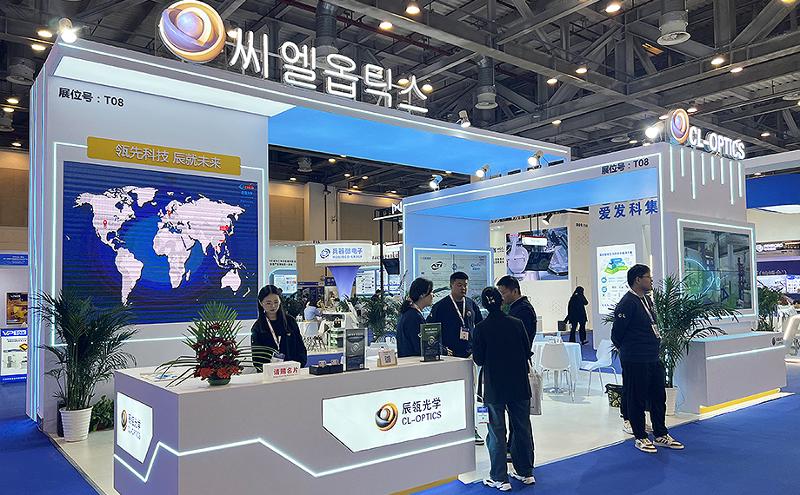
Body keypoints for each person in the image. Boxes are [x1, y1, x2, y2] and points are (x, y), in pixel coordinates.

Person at [611, 264, 683, 453]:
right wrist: (630, 350)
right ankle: (640, 436)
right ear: (637, 280)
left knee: (658, 396)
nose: (651, 280)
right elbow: (616, 334)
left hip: (652, 357)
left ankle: (660, 433)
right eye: (648, 277)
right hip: (635, 359)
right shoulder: (627, 303)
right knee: (637, 398)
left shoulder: (647, 300)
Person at [473, 287, 535, 490]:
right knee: (522, 428)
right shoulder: (517, 323)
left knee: (496, 431)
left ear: (483, 305)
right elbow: (527, 350)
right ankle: (525, 472)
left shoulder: (481, 328)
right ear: (501, 302)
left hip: (495, 387)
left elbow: (479, 359)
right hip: (519, 384)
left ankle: (499, 477)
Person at [428, 271, 484, 444]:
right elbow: (432, 332)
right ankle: (449, 427)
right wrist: (442, 349)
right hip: (449, 359)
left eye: (465, 285)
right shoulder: (441, 306)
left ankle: (471, 428)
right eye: (459, 285)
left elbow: (480, 327)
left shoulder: (471, 305)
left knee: (470, 394)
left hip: (469, 357)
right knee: (450, 394)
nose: (463, 288)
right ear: (451, 285)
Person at [252, 285, 308, 370]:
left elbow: (300, 348)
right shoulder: (258, 327)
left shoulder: (290, 321)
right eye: (268, 303)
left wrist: (299, 365)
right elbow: (257, 358)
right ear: (261, 303)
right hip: (269, 373)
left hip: (292, 371)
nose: (273, 306)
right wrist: (269, 370)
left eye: (276, 302)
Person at [396, 278, 434, 358]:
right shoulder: (414, 317)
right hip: (414, 362)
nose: (433, 295)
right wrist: (443, 350)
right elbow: (421, 346)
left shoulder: (408, 313)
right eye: (431, 292)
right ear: (422, 295)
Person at [496, 275, 537, 348]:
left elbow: (521, 337)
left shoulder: (524, 310)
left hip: (519, 352)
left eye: (503, 293)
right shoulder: (516, 307)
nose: (501, 297)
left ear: (515, 291)